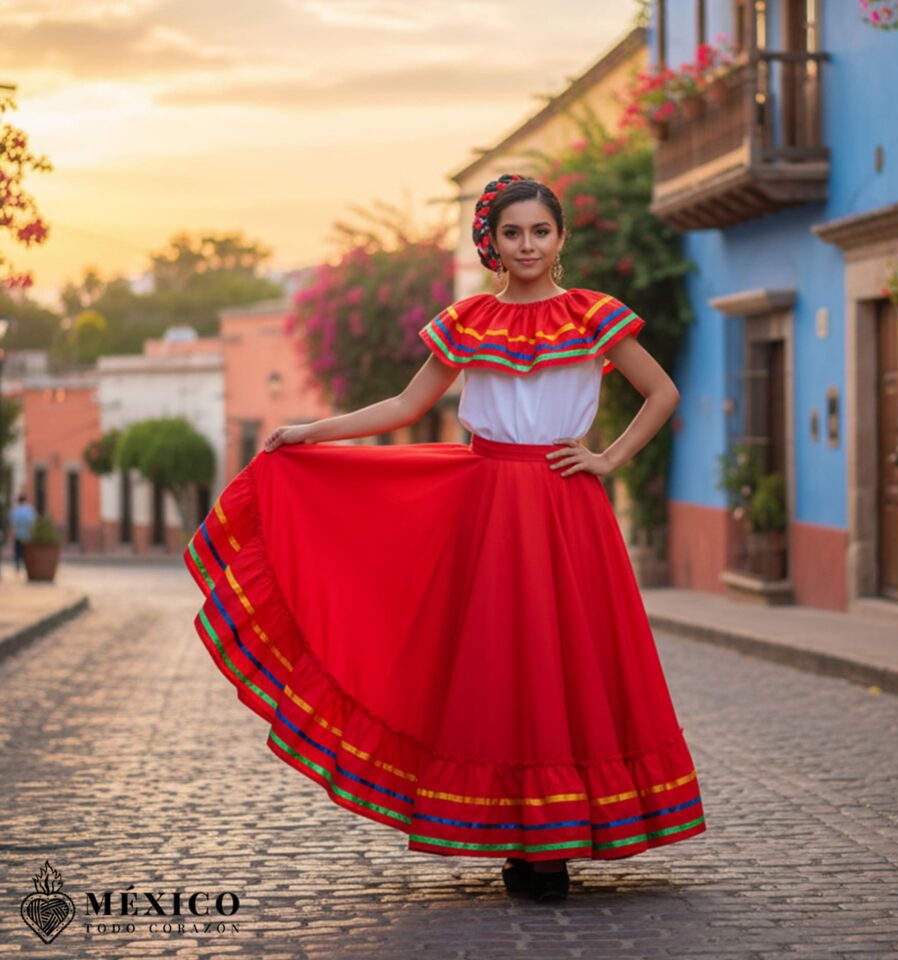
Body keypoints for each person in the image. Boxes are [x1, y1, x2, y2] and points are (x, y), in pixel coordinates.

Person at [184, 174, 706, 906]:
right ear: (490, 241)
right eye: (513, 232)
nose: (527, 245)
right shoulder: (466, 318)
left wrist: (607, 458)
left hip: (565, 506)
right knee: (500, 666)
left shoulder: (595, 315)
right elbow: (406, 403)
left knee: (565, 661)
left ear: (560, 238)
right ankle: (523, 840)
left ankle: (553, 845)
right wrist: (311, 431)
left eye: (541, 231)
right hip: (487, 507)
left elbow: (662, 392)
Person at [9, 493, 36, 574]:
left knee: (17, 550)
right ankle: (25, 564)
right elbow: (32, 523)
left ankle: (18, 564)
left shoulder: (15, 511)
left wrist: (12, 535)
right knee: (26, 550)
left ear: (19, 501)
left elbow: (13, 524)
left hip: (18, 534)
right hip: (27, 535)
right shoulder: (29, 510)